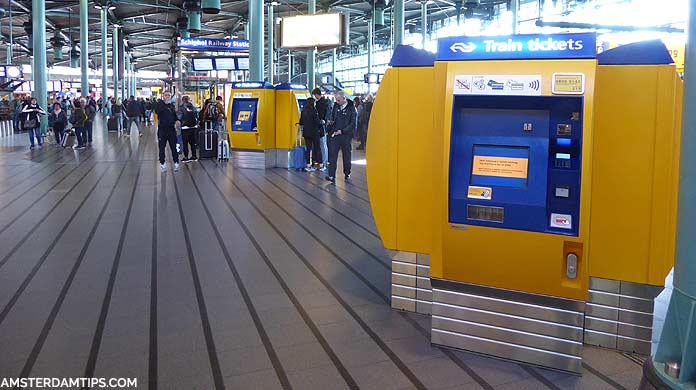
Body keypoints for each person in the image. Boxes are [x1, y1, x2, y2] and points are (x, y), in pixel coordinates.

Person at [326, 91, 356, 182]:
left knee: (346, 155)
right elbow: (333, 117)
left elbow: (353, 124)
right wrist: (331, 123)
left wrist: (342, 131)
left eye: (338, 100)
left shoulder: (351, 109)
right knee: (333, 155)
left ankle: (347, 173)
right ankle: (331, 175)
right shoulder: (336, 106)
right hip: (335, 134)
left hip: (346, 136)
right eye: (336, 100)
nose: (337, 102)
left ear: (344, 99)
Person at [154, 91, 180, 172]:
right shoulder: (159, 105)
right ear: (163, 96)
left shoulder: (171, 106)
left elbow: (174, 116)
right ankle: (162, 164)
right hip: (162, 130)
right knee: (162, 148)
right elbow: (157, 111)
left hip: (171, 130)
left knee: (174, 147)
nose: (167, 97)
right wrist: (163, 103)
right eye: (166, 95)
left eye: (169, 95)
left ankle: (176, 162)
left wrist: (177, 120)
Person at [299, 97, 323, 172]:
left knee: (308, 149)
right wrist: (322, 122)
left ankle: (308, 165)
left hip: (306, 133)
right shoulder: (314, 110)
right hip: (314, 132)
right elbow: (317, 121)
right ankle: (320, 165)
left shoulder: (303, 111)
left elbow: (301, 122)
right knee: (317, 148)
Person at [312, 88, 330, 171]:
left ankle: (323, 163)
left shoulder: (319, 104)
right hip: (325, 126)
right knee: (324, 144)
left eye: (314, 95)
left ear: (316, 94)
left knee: (322, 145)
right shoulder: (326, 102)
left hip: (320, 126)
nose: (314, 97)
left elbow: (319, 116)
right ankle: (325, 161)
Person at [177, 95, 199, 162]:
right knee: (192, 143)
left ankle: (186, 157)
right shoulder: (193, 107)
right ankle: (194, 156)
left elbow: (179, 117)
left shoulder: (181, 108)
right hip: (193, 127)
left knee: (185, 143)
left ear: (183, 100)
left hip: (185, 127)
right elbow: (196, 116)